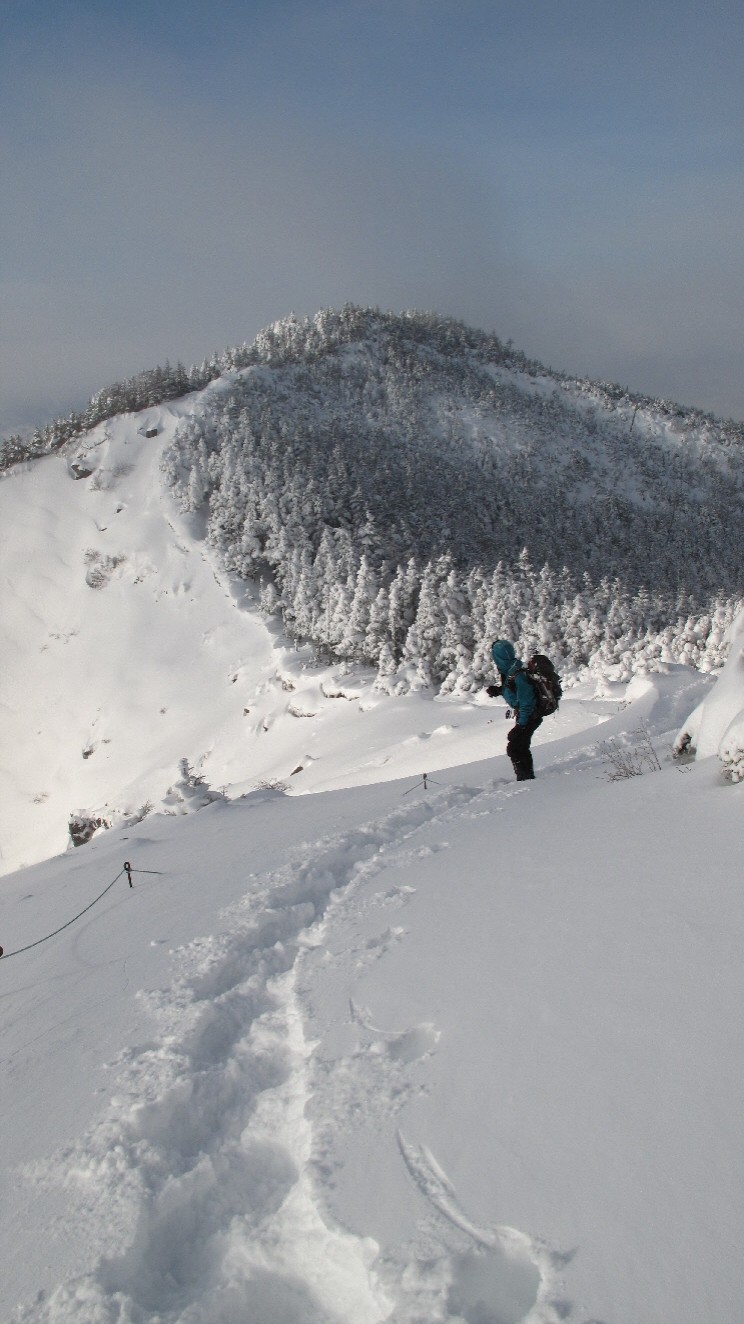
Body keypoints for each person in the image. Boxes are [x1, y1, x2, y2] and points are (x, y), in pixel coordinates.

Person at [487, 639, 542, 781]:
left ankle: (526, 780)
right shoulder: (511, 669)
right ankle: (526, 777)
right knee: (519, 746)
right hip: (528, 715)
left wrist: (521, 725)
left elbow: (526, 701)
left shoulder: (517, 673)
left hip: (530, 715)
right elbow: (515, 691)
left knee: (515, 747)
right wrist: (499, 690)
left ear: (498, 657)